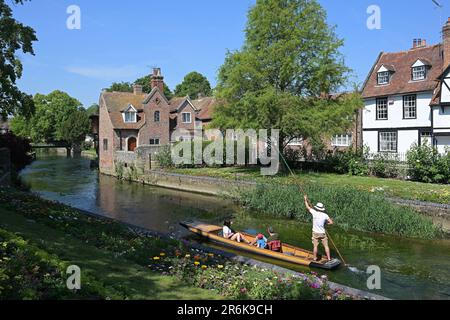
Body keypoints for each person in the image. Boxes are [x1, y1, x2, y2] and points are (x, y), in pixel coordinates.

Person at [304, 195, 333, 261]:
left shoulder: (314, 212)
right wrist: (325, 223)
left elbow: (307, 207)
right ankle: (329, 258)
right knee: (326, 246)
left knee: (315, 246)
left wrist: (305, 200)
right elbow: (331, 222)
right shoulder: (325, 215)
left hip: (315, 233)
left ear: (317, 208)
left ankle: (314, 258)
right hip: (322, 233)